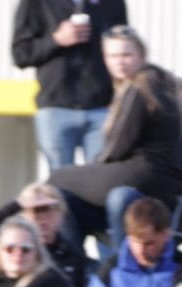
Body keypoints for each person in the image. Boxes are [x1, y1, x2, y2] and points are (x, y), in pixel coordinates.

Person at [47, 25, 182, 259]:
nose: (119, 62)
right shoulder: (161, 84)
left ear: (141, 55)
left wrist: (97, 168)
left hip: (145, 174)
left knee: (57, 179)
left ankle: (71, 268)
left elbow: (118, 145)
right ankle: (78, 266)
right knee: (68, 199)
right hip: (159, 177)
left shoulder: (139, 86)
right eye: (112, 56)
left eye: (126, 55)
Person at [11, 0, 126, 172]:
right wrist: (56, 39)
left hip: (101, 108)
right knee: (59, 182)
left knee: (98, 179)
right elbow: (20, 55)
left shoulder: (112, 3)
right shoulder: (35, 3)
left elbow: (123, 46)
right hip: (56, 108)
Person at [0, 181, 89, 287]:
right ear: (23, 215)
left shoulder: (71, 254)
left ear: (60, 214)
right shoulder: (11, 249)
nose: (41, 218)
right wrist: (17, 204)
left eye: (47, 210)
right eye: (35, 210)